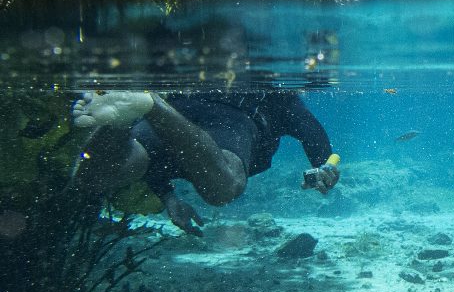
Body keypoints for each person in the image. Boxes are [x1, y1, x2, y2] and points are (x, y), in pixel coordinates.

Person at [70, 90, 340, 235]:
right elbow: (308, 127)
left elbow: (161, 163)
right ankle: (151, 106)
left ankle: (122, 122)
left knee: (93, 178)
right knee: (224, 187)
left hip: (176, 111)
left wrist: (169, 199)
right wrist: (323, 165)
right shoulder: (277, 97)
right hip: (230, 118)